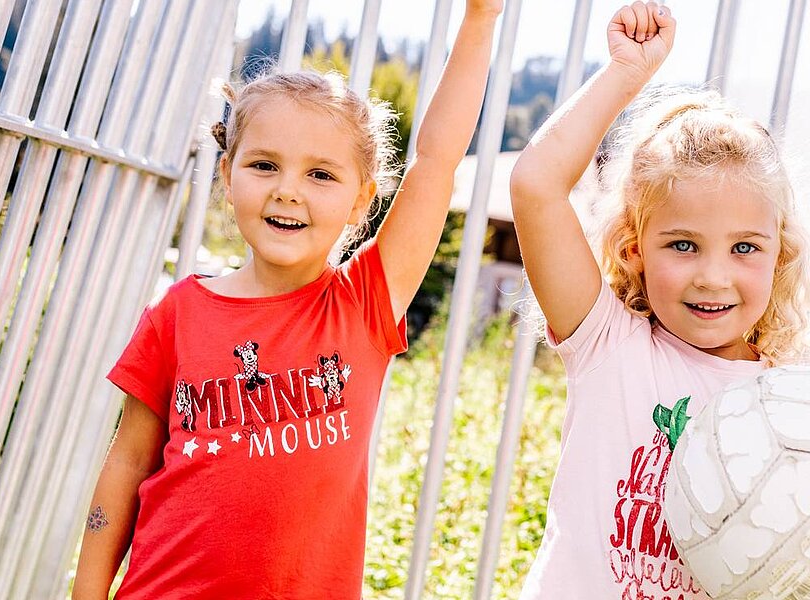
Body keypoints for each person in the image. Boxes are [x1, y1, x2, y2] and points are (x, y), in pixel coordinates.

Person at [508, 3, 810, 599]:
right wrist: (627, 75)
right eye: (683, 244)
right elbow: (535, 185)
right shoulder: (608, 343)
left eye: (744, 248)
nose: (713, 276)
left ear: (780, 256)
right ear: (633, 250)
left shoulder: (807, 410)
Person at [72, 2, 503, 597]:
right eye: (264, 164)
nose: (287, 191)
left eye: (321, 175)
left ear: (361, 201)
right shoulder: (176, 314)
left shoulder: (363, 304)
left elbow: (436, 161)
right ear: (228, 176)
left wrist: (480, 19)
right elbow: (125, 466)